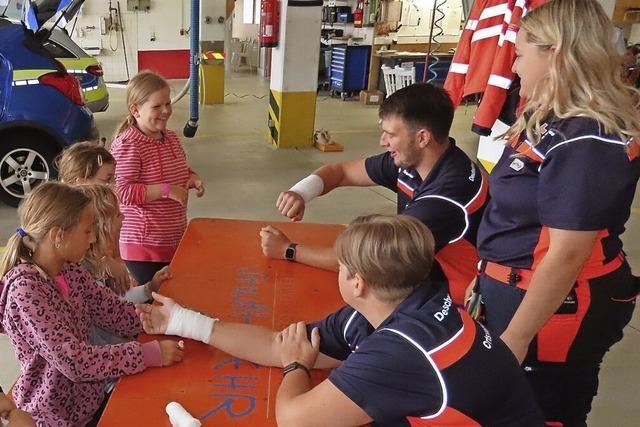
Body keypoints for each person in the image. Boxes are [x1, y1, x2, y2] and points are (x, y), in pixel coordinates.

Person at [138, 215, 544, 426]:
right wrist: (183, 321)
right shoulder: (404, 304)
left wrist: (297, 366)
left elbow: (295, 419)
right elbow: (278, 343)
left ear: (357, 281)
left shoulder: (401, 350)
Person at [475, 1, 640, 425]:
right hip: (520, 291)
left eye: (520, 54)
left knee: (543, 407)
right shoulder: (551, 119)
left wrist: (516, 337)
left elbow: (566, 254)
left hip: (560, 307)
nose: (513, 67)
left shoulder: (587, 137)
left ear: (555, 54)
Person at [261, 83, 488, 306]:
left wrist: (288, 250)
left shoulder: (447, 198)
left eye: (390, 134)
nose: (382, 142)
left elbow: (369, 261)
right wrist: (300, 192)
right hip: (420, 278)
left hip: (450, 302)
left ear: (422, 138)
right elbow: (340, 172)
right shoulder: (416, 160)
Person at [0, 182, 184, 427]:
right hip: (55, 418)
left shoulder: (69, 270)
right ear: (58, 236)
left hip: (89, 403)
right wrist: (145, 354)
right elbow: (73, 360)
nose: (93, 238)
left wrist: (158, 317)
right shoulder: (27, 291)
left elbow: (112, 310)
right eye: (87, 231)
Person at [110, 71, 205, 286]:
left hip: (173, 238)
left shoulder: (170, 137)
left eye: (168, 103)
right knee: (154, 304)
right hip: (144, 247)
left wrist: (192, 177)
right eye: (156, 107)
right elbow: (121, 191)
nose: (165, 111)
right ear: (135, 110)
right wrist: (166, 190)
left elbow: (178, 169)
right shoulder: (128, 145)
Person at [56, 142, 130, 294]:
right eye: (107, 180)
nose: (114, 186)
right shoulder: (69, 224)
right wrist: (103, 263)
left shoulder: (100, 218)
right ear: (80, 182)